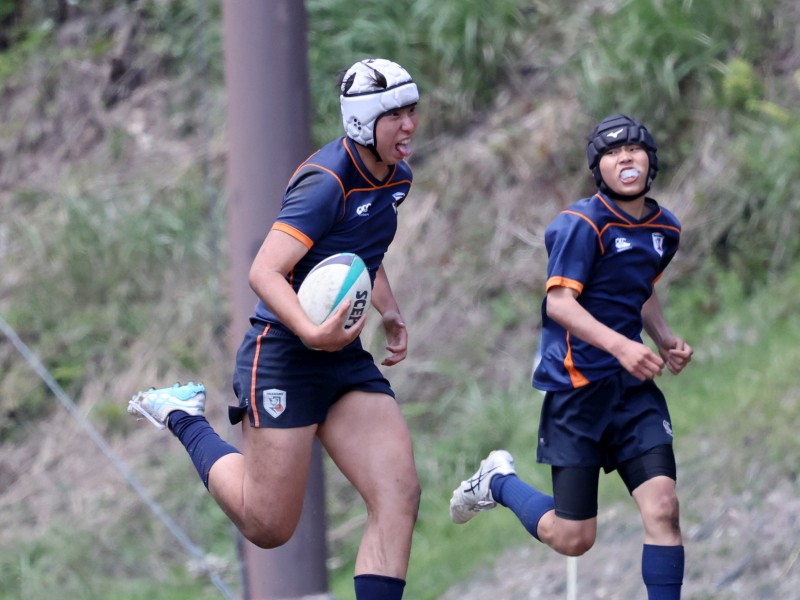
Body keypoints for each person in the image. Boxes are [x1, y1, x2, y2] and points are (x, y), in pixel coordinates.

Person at [128, 58, 422, 600]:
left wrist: (389, 311)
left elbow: (360, 253)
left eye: (412, 111)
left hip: (342, 356)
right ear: (362, 121)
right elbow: (264, 271)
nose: (409, 125)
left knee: (397, 493)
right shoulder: (325, 183)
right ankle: (182, 415)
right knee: (268, 526)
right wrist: (310, 332)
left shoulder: (396, 178)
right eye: (394, 115)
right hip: (283, 355)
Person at [449, 114, 693, 600]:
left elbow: (641, 285)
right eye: (612, 152)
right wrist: (622, 345)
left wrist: (663, 337)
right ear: (598, 169)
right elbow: (560, 303)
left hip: (632, 392)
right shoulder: (581, 225)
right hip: (577, 393)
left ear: (651, 160)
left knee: (664, 509)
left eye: (634, 149)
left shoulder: (665, 228)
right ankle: (498, 482)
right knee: (574, 538)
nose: (625, 158)